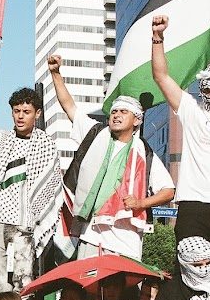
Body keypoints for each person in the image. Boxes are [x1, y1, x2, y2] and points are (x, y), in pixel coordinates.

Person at [48, 54, 175, 260]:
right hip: (92, 231)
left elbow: (168, 191)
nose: (116, 115)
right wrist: (55, 73)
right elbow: (69, 106)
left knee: (125, 291)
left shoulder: (144, 151)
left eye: (123, 112)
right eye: (114, 111)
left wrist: (141, 203)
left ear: (137, 120)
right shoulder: (96, 133)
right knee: (89, 287)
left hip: (127, 235)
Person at [0, 88, 63, 293]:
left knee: (24, 279)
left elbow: (51, 184)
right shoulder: (1, 138)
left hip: (26, 220)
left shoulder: (45, 144)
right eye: (16, 110)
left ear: (37, 113)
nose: (20, 116)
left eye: (26, 111)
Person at [151, 15, 210, 251]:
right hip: (193, 205)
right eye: (206, 86)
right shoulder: (191, 109)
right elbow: (161, 76)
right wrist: (157, 38)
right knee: (189, 272)